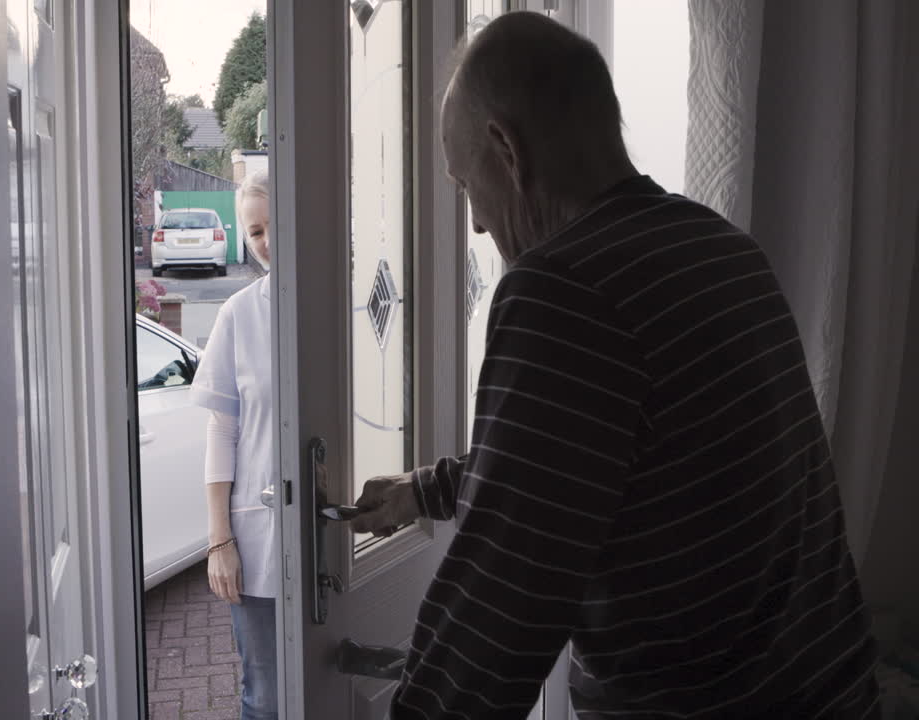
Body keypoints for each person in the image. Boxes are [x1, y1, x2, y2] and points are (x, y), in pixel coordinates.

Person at [351, 12, 880, 719]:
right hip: (833, 688)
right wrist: (426, 489)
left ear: (506, 150)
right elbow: (603, 464)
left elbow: (500, 603)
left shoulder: (562, 287)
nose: (475, 222)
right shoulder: (720, 247)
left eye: (463, 183)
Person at [188, 170, 278, 720]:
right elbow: (223, 431)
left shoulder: (348, 305)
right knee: (263, 696)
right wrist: (220, 541)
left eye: (274, 224)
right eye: (255, 231)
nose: (266, 242)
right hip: (258, 533)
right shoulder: (239, 314)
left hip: (332, 533)